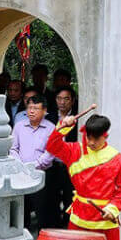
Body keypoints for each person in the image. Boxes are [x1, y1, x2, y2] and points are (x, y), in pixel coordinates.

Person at [9, 95, 56, 229]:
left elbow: (51, 152)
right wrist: (21, 166)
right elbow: (13, 148)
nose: (31, 111)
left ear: (44, 110)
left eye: (36, 108)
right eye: (29, 107)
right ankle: (22, 234)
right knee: (22, 207)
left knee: (42, 208)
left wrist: (34, 165)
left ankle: (42, 238)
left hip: (42, 174)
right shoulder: (19, 126)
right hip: (21, 174)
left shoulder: (51, 128)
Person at [46, 86, 78, 227]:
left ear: (72, 101)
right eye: (59, 98)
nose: (62, 102)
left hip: (70, 164)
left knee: (69, 197)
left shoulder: (78, 117)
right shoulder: (50, 117)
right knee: (52, 197)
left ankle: (67, 225)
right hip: (53, 163)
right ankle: (55, 226)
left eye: (66, 99)